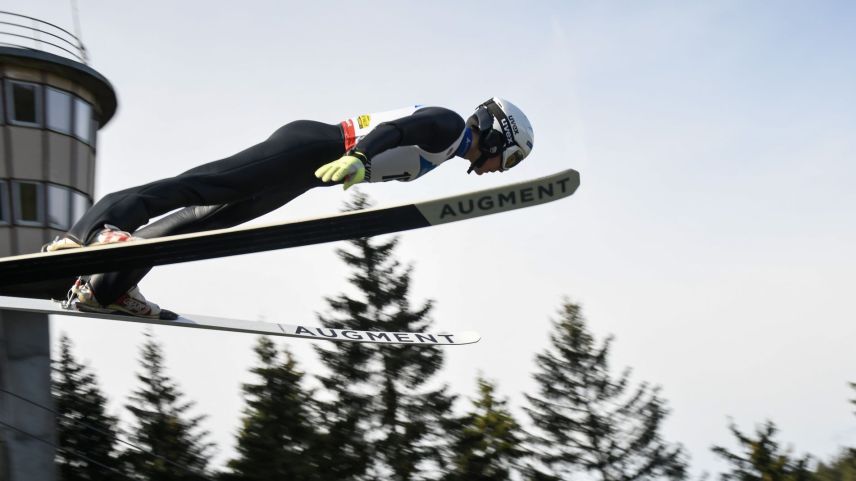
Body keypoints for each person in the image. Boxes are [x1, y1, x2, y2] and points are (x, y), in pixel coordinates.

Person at [44, 97, 535, 319]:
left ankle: (108, 285)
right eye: (509, 159)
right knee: (200, 186)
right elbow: (396, 132)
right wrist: (359, 158)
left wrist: (360, 166)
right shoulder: (450, 126)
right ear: (500, 136)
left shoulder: (449, 150)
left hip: (305, 175)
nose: (501, 169)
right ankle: (89, 232)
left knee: (203, 226)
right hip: (310, 147)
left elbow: (396, 144)